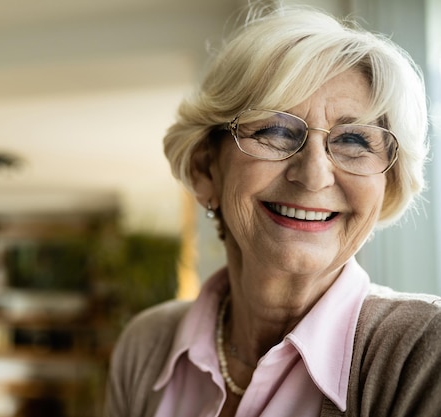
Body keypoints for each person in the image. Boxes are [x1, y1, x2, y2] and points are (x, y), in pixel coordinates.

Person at [104, 5, 441, 417]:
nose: (315, 175)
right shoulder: (145, 344)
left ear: (388, 185)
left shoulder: (427, 352)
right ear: (205, 169)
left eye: (355, 141)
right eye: (275, 131)